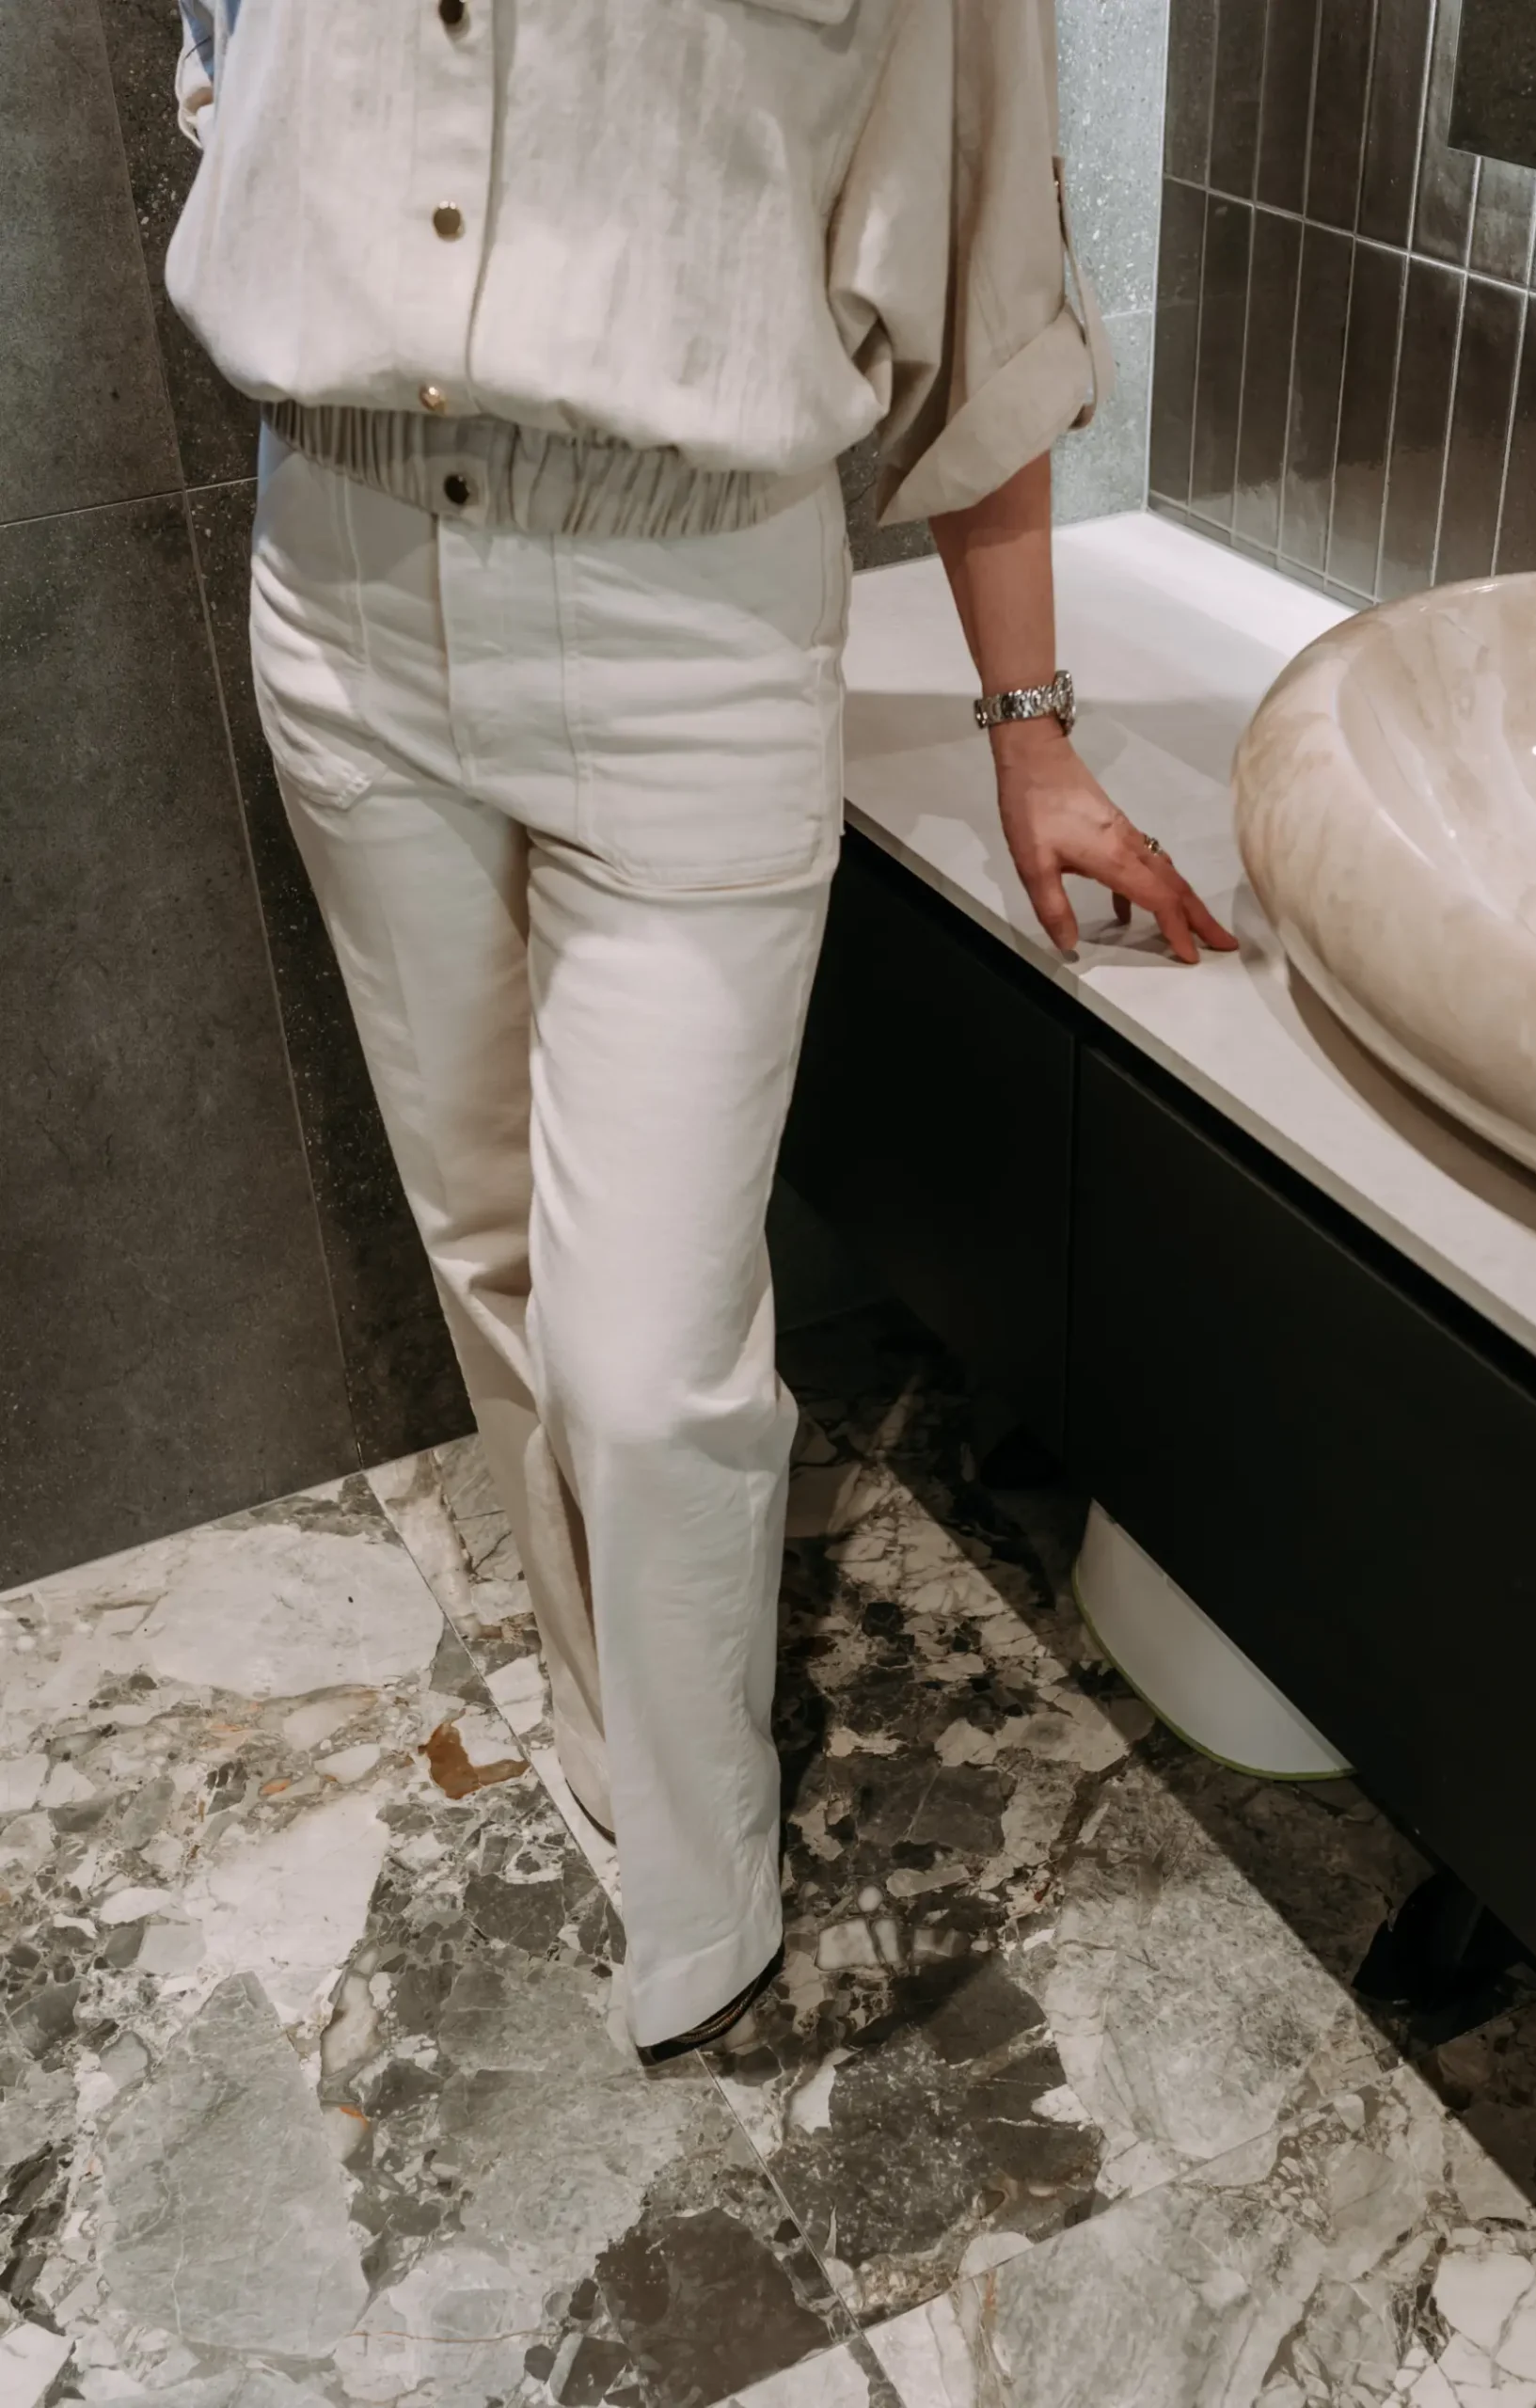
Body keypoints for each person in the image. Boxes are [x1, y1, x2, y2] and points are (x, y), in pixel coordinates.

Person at [167, 0, 1236, 2065]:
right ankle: (607, 1727)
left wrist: (1029, 732)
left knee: (650, 1366)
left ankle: (704, 1859)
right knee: (485, 1240)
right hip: (340, 574)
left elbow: (978, 270)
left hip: (688, 617)